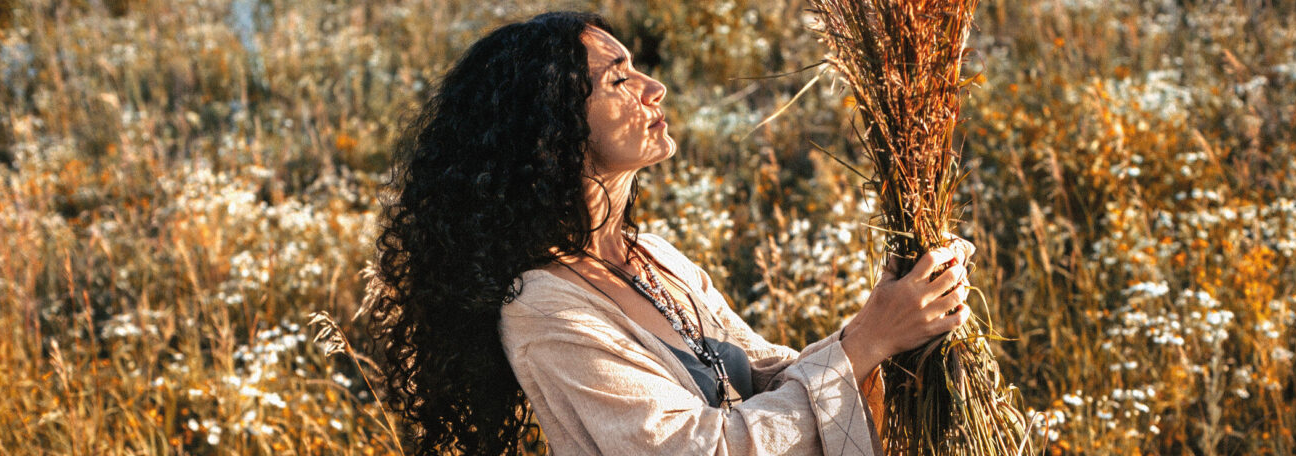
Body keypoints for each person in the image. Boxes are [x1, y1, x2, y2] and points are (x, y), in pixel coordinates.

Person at [367, 11, 976, 456]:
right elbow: (695, 449)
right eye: (618, 80)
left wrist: (894, 314)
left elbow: (765, 378)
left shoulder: (652, 259)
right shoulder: (542, 308)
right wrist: (865, 344)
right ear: (550, 129)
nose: (653, 89)